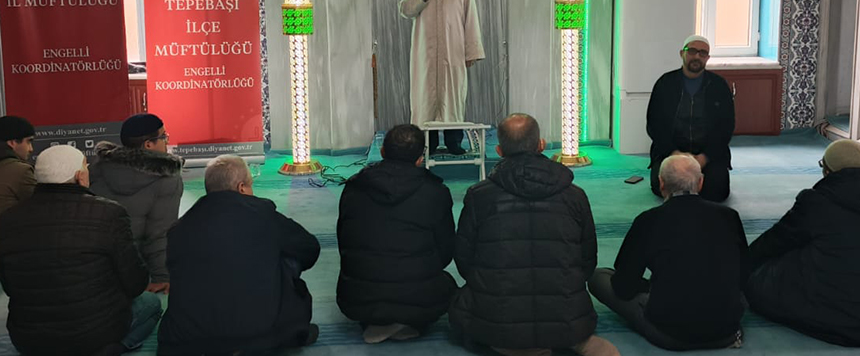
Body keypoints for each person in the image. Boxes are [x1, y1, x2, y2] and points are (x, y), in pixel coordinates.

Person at [449, 113, 619, 356]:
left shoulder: (479, 196)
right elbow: (587, 261)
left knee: (458, 303)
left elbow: (464, 260)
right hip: (566, 319)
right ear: (541, 145)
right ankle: (564, 341)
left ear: (499, 150)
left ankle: (514, 346)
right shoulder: (575, 195)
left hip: (499, 321)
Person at [0, 145, 161, 356]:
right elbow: (136, 283)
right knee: (151, 303)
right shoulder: (109, 214)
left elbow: (9, 286)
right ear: (80, 176)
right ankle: (116, 348)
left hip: (28, 340)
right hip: (95, 336)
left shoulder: (7, 220)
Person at [157, 155, 321, 355]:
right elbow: (309, 248)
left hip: (188, 340)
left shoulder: (179, 228)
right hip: (257, 334)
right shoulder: (263, 215)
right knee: (286, 256)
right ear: (242, 187)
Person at [589, 154, 749, 351]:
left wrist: (650, 287)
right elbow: (744, 273)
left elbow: (623, 285)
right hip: (727, 330)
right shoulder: (729, 216)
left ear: (661, 183)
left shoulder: (648, 220)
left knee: (598, 278)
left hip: (670, 334)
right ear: (700, 183)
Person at [337, 124, 456, 343]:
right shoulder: (436, 192)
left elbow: (344, 243)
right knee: (449, 287)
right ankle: (404, 321)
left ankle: (382, 320)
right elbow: (446, 251)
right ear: (420, 158)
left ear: (382, 151)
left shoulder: (355, 187)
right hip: (419, 296)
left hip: (357, 299)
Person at [745, 139, 860, 347]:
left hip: (836, 315)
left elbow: (775, 241)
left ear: (827, 171)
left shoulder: (817, 202)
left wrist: (744, 263)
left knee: (759, 280)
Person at [399, 0, 485, 155]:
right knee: (425, 97)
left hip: (452, 52)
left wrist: (471, 52)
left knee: (452, 97)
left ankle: (453, 142)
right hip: (424, 54)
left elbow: (470, 19)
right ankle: (428, 144)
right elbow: (406, 11)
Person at [89, 113, 183, 293]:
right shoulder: (167, 178)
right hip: (133, 271)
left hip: (93, 267)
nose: (167, 141)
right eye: (164, 136)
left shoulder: (98, 167)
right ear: (148, 145)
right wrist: (162, 277)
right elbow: (160, 234)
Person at [646, 34, 735, 202]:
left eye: (703, 53)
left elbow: (726, 128)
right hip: (672, 152)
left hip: (707, 154)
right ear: (682, 53)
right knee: (662, 188)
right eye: (692, 51)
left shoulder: (719, 86)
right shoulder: (665, 83)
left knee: (717, 190)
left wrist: (704, 157)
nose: (697, 56)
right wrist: (674, 153)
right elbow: (655, 125)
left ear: (707, 58)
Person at [0, 115, 36, 214]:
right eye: (28, 142)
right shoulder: (21, 171)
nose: (31, 149)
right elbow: (41, 206)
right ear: (12, 142)